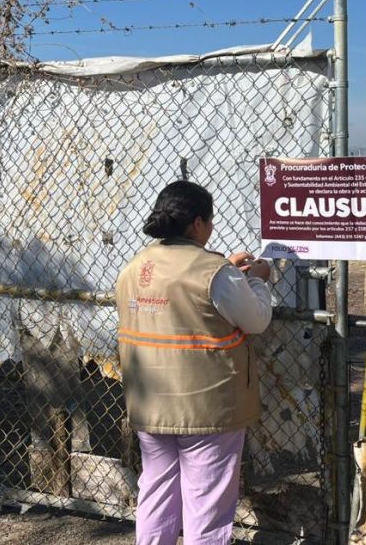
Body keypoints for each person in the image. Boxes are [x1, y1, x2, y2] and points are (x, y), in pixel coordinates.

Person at [115, 180, 273, 545]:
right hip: (207, 408)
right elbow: (255, 320)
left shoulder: (135, 266)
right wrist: (258, 282)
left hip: (149, 404)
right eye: (210, 220)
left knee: (156, 493)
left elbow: (176, 297)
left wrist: (227, 271)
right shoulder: (214, 273)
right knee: (207, 505)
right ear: (198, 223)